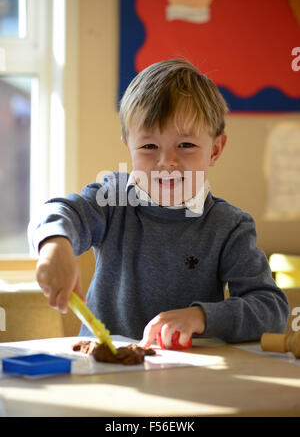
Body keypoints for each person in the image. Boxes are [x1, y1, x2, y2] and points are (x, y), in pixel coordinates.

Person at [28, 59, 289, 349]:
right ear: (129, 148)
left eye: (186, 145)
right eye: (149, 147)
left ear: (215, 150)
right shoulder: (113, 199)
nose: (166, 162)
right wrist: (54, 244)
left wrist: (201, 316)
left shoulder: (229, 226)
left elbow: (270, 310)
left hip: (189, 377)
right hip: (104, 370)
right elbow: (61, 211)